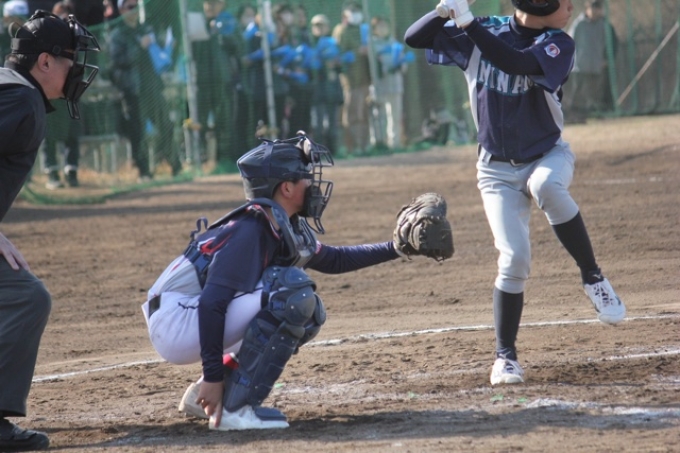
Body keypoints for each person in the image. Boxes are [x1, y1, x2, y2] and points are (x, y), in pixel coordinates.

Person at [404, 0, 625, 385]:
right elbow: (413, 38)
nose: (570, 6)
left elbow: (516, 63)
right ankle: (505, 357)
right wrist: (444, 10)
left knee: (545, 185)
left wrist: (468, 23)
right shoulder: (485, 28)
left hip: (548, 155)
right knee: (514, 259)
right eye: (563, 2)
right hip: (495, 171)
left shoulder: (559, 42)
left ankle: (593, 277)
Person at [142, 134, 422, 431]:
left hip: (187, 314)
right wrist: (211, 375)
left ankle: (210, 396)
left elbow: (334, 260)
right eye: (306, 177)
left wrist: (397, 247)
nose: (313, 184)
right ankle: (235, 409)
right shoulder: (250, 230)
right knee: (291, 295)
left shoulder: (276, 222)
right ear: (286, 188)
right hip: (176, 320)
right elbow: (212, 303)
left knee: (309, 312)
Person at [0, 10, 99, 451]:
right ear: (44, 62)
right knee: (27, 297)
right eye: (70, 59)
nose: (77, 70)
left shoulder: (11, 88)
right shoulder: (21, 99)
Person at [107, 0, 183, 181]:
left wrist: (167, 48)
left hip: (152, 87)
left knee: (165, 125)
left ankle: (175, 166)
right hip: (133, 90)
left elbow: (159, 53)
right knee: (138, 132)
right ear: (121, 9)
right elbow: (116, 62)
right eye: (129, 7)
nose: (133, 10)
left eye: (136, 6)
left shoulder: (146, 29)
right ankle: (144, 171)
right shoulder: (117, 34)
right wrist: (139, 46)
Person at [43, 1, 83, 189]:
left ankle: (71, 171)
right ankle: (52, 173)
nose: (65, 19)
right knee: (49, 134)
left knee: (72, 132)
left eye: (68, 15)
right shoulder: (44, 37)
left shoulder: (77, 37)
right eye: (60, 15)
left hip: (70, 93)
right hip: (51, 93)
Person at [563, 0, 617, 123]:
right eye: (593, 8)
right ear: (587, 8)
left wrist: (605, 59)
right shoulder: (579, 24)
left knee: (595, 93)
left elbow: (608, 44)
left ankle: (596, 114)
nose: (595, 11)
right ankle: (574, 116)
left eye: (598, 8)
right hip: (580, 66)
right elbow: (569, 42)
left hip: (596, 66)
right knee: (579, 93)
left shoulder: (603, 25)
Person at [332, 1, 371, 156]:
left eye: (357, 10)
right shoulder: (341, 31)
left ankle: (364, 145)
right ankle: (352, 147)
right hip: (350, 80)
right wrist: (356, 52)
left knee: (364, 112)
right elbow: (337, 57)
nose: (355, 14)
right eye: (352, 11)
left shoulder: (364, 30)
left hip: (365, 79)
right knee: (352, 113)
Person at [369, 16, 410, 151]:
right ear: (374, 29)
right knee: (379, 116)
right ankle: (379, 143)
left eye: (385, 26)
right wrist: (384, 67)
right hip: (379, 85)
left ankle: (395, 143)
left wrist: (399, 66)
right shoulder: (372, 44)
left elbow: (403, 65)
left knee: (395, 116)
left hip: (395, 84)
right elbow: (372, 66)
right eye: (379, 26)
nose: (383, 29)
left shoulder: (394, 43)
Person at [308, 13, 343, 154]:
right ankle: (318, 152)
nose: (319, 28)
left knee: (332, 123)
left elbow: (341, 66)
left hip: (332, 89)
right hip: (317, 90)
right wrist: (321, 63)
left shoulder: (334, 43)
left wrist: (335, 63)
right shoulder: (310, 43)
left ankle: (333, 152)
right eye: (316, 26)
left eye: (322, 25)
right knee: (318, 123)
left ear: (328, 27)